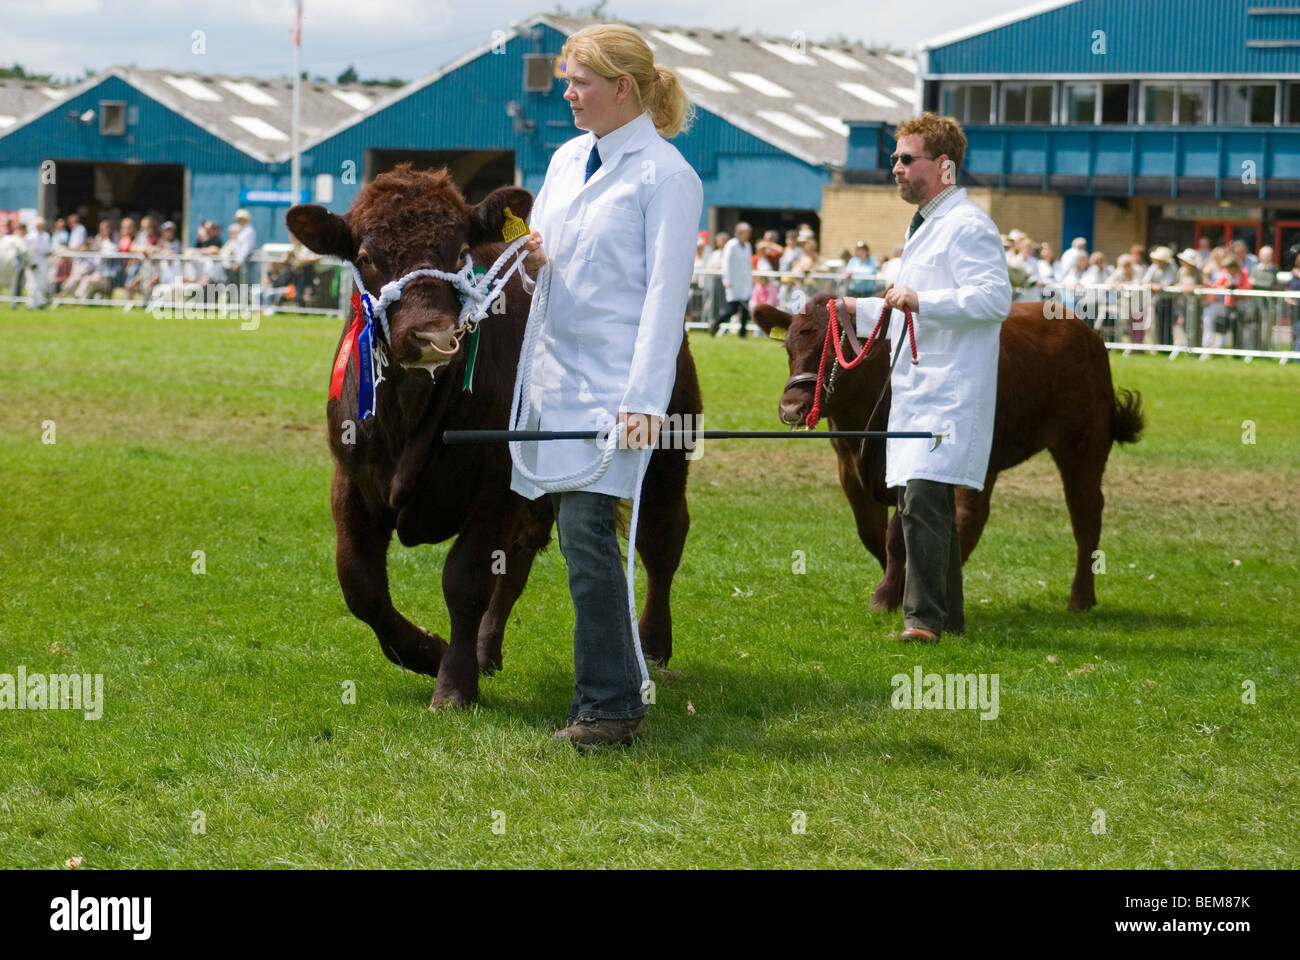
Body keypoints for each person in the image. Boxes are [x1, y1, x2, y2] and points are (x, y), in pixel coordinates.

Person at [512, 22, 703, 748]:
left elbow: (664, 298)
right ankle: (614, 694)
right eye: (567, 80)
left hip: (615, 389)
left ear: (622, 87)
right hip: (554, 378)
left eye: (580, 82)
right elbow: (542, 253)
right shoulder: (566, 159)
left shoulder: (667, 177)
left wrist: (645, 402)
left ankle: (609, 708)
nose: (567, 93)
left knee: (587, 533)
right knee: (577, 536)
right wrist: (530, 260)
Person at [843, 112, 1011, 645]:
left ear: (944, 166)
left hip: (949, 389)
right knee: (925, 500)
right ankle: (947, 618)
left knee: (920, 499)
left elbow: (994, 299)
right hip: (921, 389)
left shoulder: (968, 225)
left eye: (906, 158)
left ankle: (922, 621)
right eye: (894, 158)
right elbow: (905, 311)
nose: (895, 167)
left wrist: (921, 298)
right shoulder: (924, 225)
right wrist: (854, 310)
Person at [715, 221, 753, 336]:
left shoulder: (748, 245)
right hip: (734, 282)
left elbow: (748, 264)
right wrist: (726, 279)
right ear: (739, 233)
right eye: (746, 233)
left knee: (745, 309)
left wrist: (750, 280)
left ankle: (743, 332)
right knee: (733, 309)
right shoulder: (731, 245)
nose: (748, 235)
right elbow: (726, 263)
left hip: (745, 282)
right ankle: (715, 322)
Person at [1142, 246, 1177, 345]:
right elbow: (1145, 282)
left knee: (1167, 324)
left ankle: (1167, 346)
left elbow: (1166, 284)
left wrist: (1155, 286)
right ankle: (1158, 345)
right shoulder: (1154, 267)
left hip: (1170, 300)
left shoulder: (1172, 267)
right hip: (1157, 300)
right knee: (1156, 324)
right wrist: (1154, 286)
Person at [232, 208, 256, 286]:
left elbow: (245, 249)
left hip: (245, 260)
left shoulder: (248, 231)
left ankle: (247, 294)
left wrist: (238, 262)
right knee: (242, 281)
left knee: (247, 281)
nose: (238, 221)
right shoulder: (243, 230)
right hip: (242, 260)